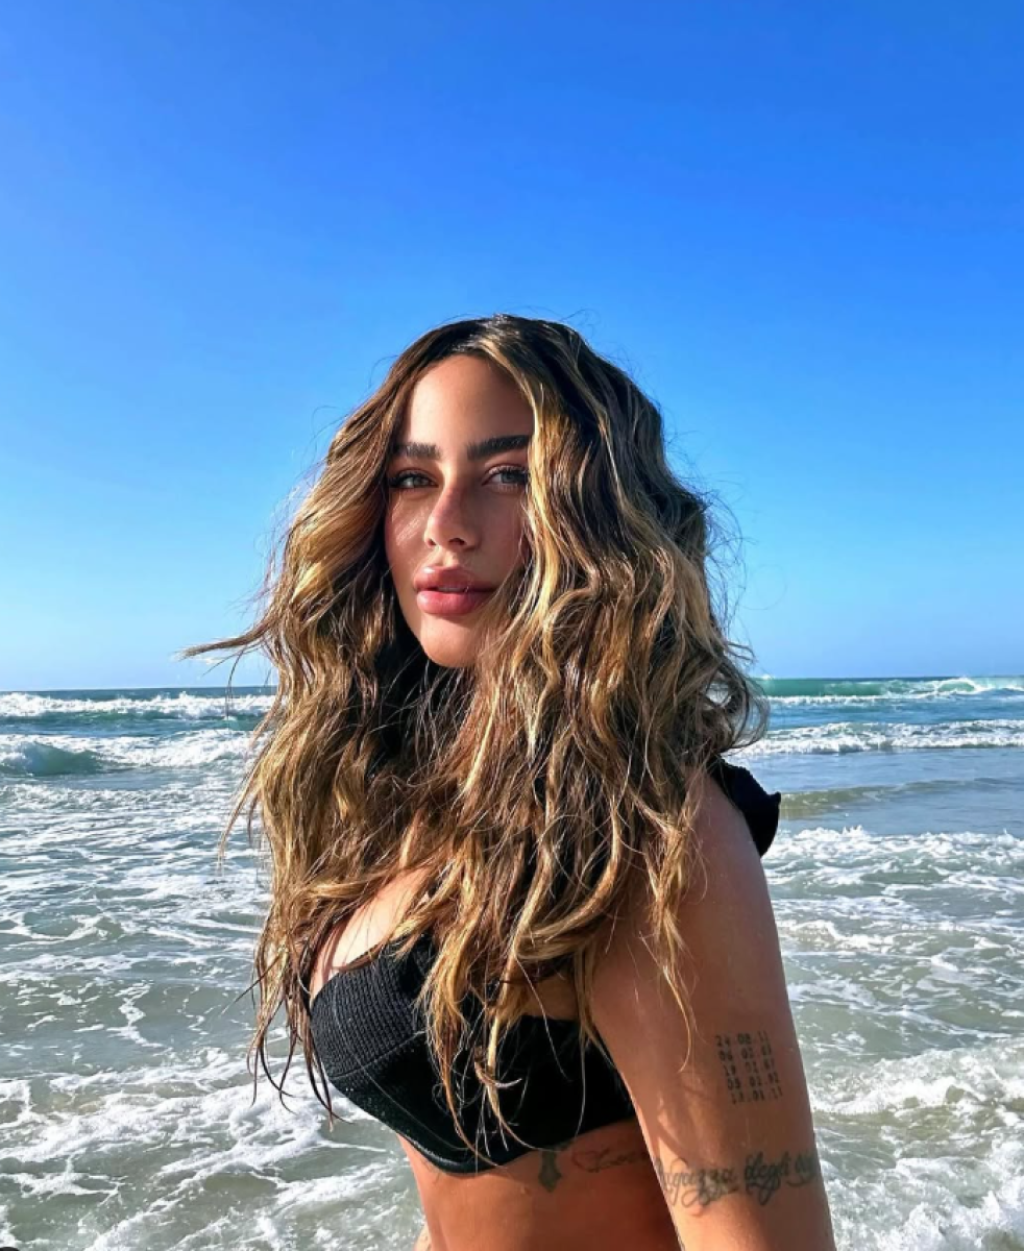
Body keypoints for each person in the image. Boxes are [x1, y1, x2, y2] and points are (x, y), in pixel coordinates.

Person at [183, 314, 837, 1251]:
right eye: (413, 478)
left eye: (508, 477)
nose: (445, 525)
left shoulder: (650, 830)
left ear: (597, 517)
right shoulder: (414, 793)